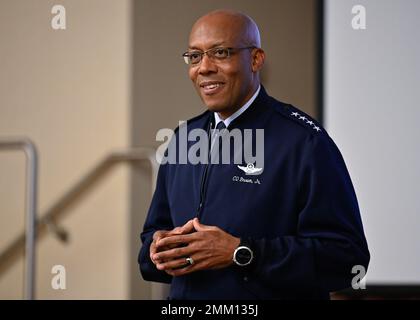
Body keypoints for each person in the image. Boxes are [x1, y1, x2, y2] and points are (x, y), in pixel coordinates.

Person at [138, 9, 370, 299]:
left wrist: (241, 252)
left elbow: (347, 259)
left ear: (256, 59)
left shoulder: (305, 143)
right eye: (195, 56)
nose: (204, 68)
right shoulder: (183, 140)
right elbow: (149, 246)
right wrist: (157, 249)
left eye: (220, 52)